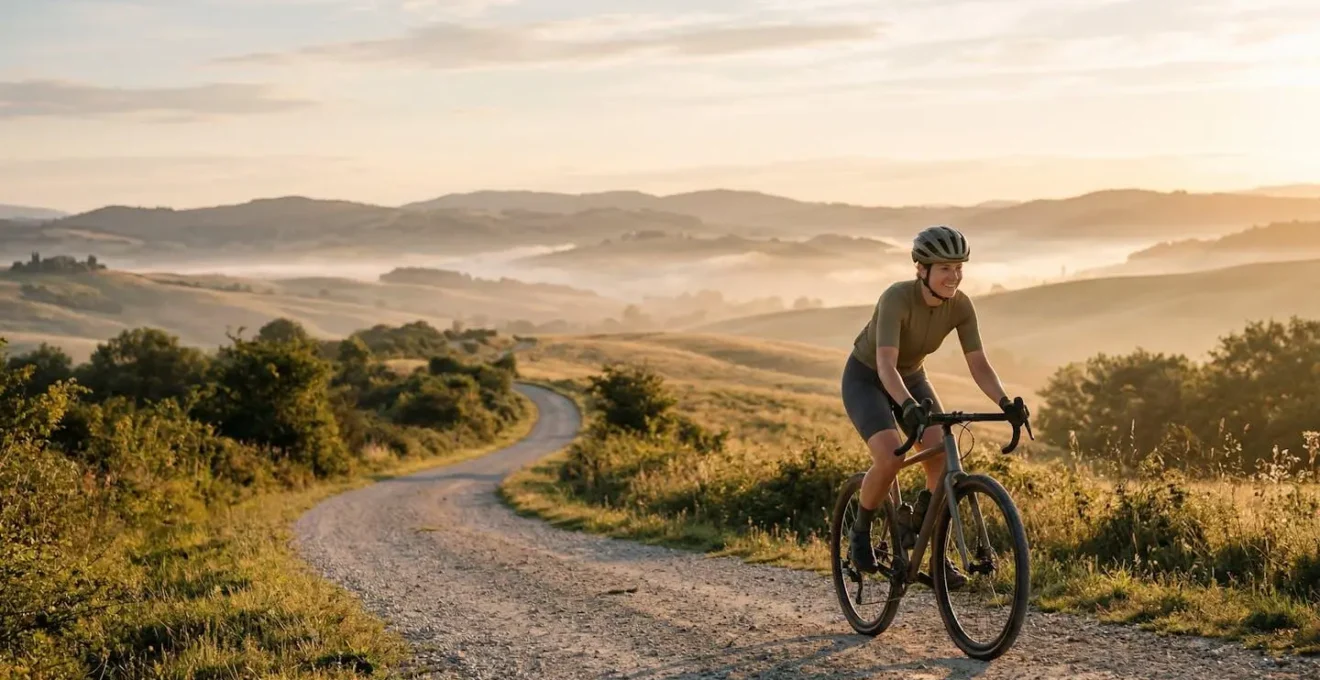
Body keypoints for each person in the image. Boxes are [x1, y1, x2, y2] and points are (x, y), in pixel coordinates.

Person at [841, 224, 1029, 588]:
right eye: (945, 268)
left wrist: (1005, 402)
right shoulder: (896, 298)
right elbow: (885, 365)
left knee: (941, 454)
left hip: (912, 377)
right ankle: (860, 532)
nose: (954, 276)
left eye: (959, 267)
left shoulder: (961, 306)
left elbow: (979, 363)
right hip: (867, 378)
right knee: (890, 457)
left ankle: (927, 540)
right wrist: (908, 406)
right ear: (922, 269)